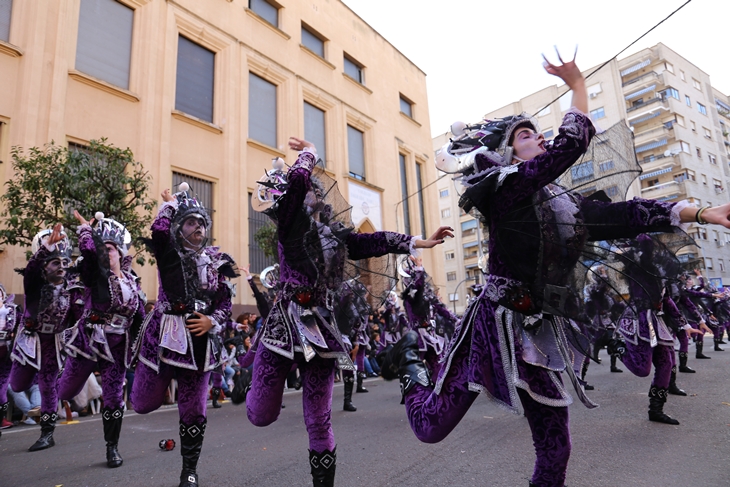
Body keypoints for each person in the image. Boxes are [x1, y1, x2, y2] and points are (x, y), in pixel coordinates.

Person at [380, 51, 730, 487]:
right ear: (507, 152)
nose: (539, 138)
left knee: (557, 446)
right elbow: (570, 146)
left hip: (539, 330)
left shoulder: (561, 202)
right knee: (430, 427)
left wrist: (700, 212)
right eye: (527, 135)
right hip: (494, 325)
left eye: (537, 132)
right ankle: (411, 365)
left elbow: (624, 214)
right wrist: (578, 88)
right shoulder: (504, 188)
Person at [245, 137, 451, 486]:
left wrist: (415, 242)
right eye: (311, 186)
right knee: (261, 414)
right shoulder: (289, 223)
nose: (315, 191)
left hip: (322, 327)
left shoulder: (334, 234)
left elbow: (370, 242)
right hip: (284, 327)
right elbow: (294, 187)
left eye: (317, 188)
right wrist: (308, 152)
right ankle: (247, 387)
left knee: (320, 418)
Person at [131, 184, 238, 487]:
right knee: (141, 403)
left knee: (194, 409)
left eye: (202, 223)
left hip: (200, 341)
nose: (198, 228)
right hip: (163, 338)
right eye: (191, 223)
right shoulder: (168, 250)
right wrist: (169, 205)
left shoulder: (218, 261)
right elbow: (159, 231)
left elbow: (225, 303)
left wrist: (211, 320)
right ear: (180, 228)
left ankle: (189, 470)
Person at [58, 211, 146, 467]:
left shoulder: (132, 282)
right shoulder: (95, 275)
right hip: (88, 344)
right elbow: (88, 253)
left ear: (120, 253)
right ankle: (57, 388)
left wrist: (142, 351)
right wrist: (87, 231)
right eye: (102, 249)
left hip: (117, 351)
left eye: (110, 249)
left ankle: (112, 448)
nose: (105, 253)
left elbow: (140, 318)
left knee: (113, 396)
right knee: (66, 390)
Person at [10, 225, 83, 451]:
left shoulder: (72, 290)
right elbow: (31, 270)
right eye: (55, 263)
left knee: (47, 385)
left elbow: (79, 318)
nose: (61, 267)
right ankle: (31, 384)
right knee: (17, 383)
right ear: (45, 267)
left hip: (53, 343)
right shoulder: (34, 285)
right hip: (30, 341)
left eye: (64, 263)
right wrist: (45, 249)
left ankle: (47, 433)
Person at [0, 283, 21, 436]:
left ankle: (1, 419)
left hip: (5, 353)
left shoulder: (12, 311)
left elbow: (22, 328)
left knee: (1, 387)